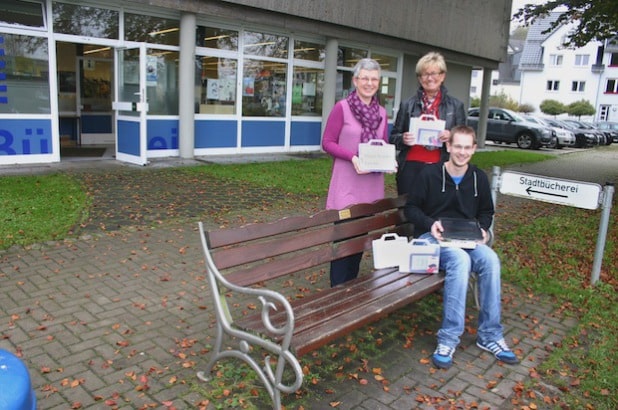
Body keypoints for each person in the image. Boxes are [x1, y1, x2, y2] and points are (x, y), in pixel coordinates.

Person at [404, 125, 519, 369]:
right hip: (431, 237)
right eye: (458, 146)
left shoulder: (478, 177)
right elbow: (411, 209)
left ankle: (490, 335)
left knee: (490, 259)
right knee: (460, 260)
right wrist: (430, 223)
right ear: (448, 146)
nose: (462, 152)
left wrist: (483, 231)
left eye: (467, 147)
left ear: (474, 149)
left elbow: (487, 212)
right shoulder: (429, 174)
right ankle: (448, 339)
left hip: (465, 238)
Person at [322, 58, 389, 287]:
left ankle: (350, 288)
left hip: (370, 185)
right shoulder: (342, 108)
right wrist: (352, 157)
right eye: (364, 78)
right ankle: (337, 290)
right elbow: (327, 142)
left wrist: (390, 162)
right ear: (355, 80)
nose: (369, 83)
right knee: (343, 239)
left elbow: (384, 144)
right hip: (347, 184)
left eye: (374, 79)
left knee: (360, 238)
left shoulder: (381, 112)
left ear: (378, 83)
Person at [390, 51, 466, 196]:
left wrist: (451, 136)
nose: (429, 78)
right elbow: (393, 138)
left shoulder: (456, 106)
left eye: (434, 73)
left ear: (442, 76)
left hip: (441, 166)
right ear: (419, 78)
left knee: (435, 211)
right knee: (408, 211)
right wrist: (403, 138)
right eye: (424, 74)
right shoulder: (407, 105)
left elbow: (465, 140)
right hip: (410, 168)